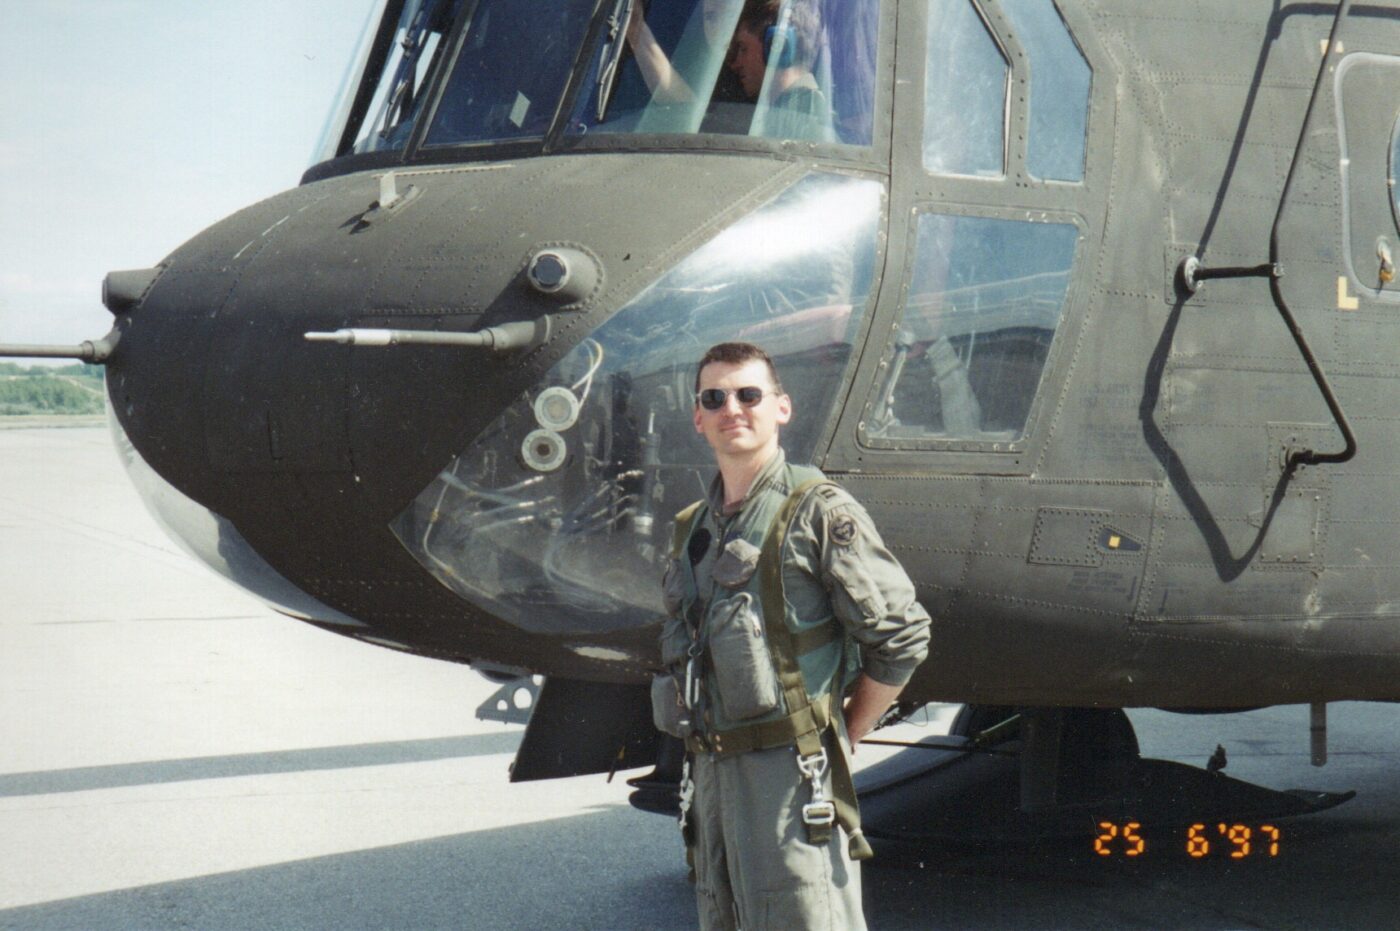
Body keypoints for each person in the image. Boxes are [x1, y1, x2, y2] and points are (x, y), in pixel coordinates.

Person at [655, 342, 931, 930]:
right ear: (698, 418)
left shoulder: (819, 511)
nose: (734, 407)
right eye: (715, 397)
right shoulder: (692, 530)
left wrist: (845, 733)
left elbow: (903, 635)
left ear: (781, 408)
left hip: (790, 777)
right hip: (712, 776)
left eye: (749, 394)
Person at [728, 0, 835, 141]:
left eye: (743, 48)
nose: (736, 64)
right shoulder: (801, 111)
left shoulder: (797, 125)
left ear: (777, 45)